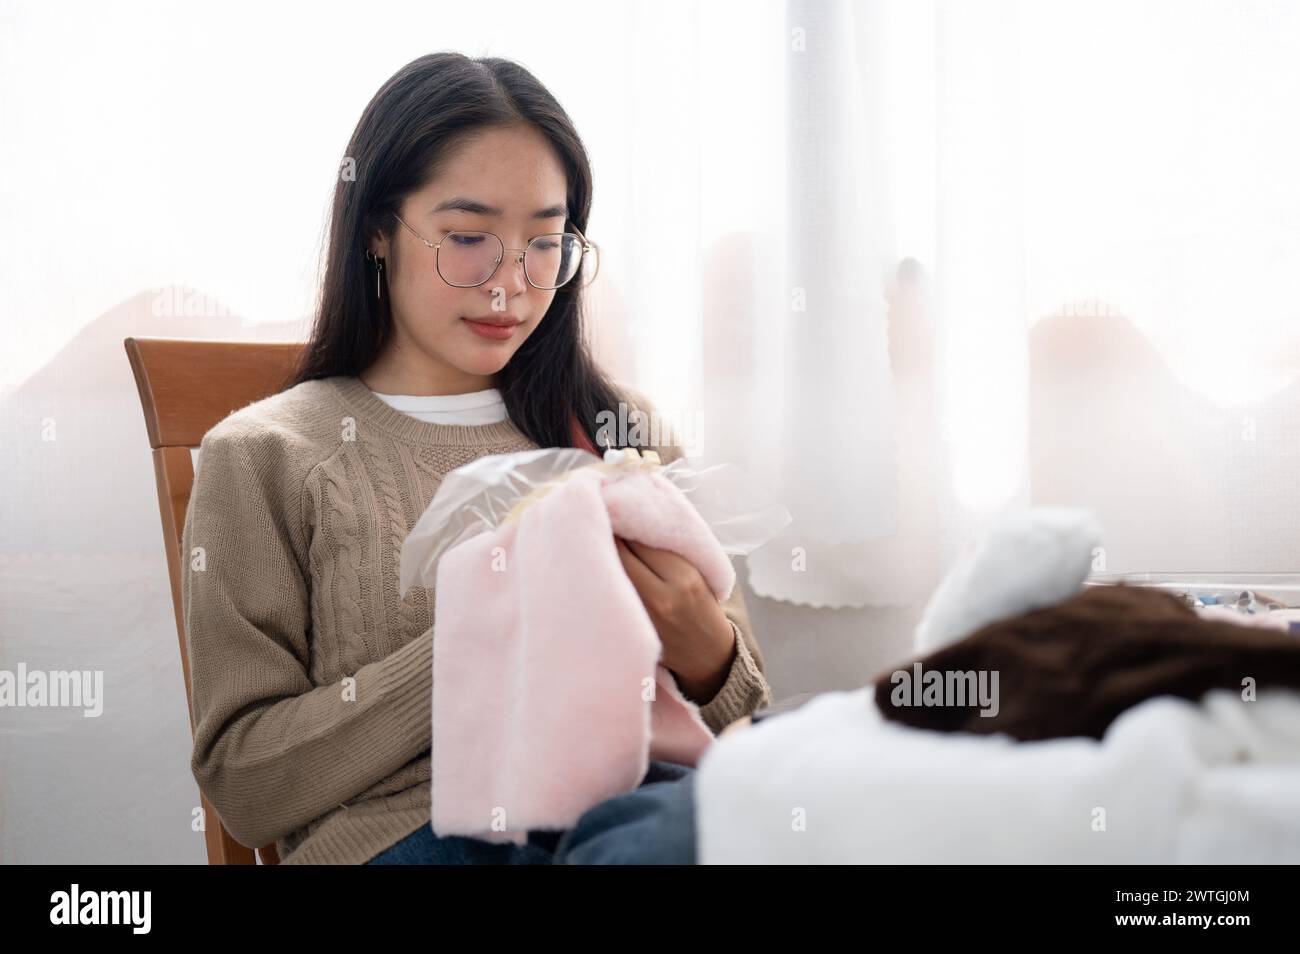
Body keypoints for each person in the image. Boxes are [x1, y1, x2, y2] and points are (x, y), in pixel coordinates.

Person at [181, 51, 773, 866]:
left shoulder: (617, 428)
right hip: (410, 836)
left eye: (544, 244)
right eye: (468, 239)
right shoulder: (266, 457)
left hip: (635, 810)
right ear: (377, 233)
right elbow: (246, 787)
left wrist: (703, 644)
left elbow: (745, 723)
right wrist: (487, 634)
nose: (512, 288)